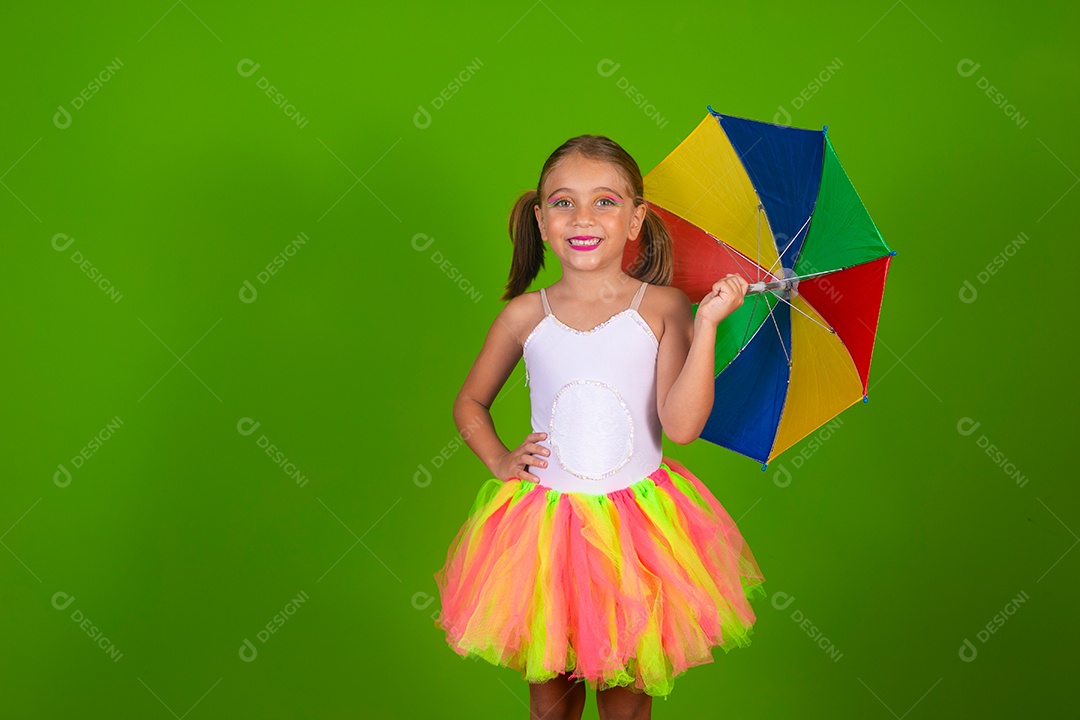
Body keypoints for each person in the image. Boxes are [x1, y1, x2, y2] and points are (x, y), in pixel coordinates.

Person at [433, 134, 766, 720]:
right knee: (550, 707)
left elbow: (682, 427)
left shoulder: (663, 307)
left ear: (637, 217)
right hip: (545, 533)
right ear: (540, 219)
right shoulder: (523, 314)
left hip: (638, 535)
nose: (582, 217)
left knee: (627, 707)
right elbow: (469, 404)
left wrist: (707, 323)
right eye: (563, 203)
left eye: (605, 202)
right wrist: (500, 460)